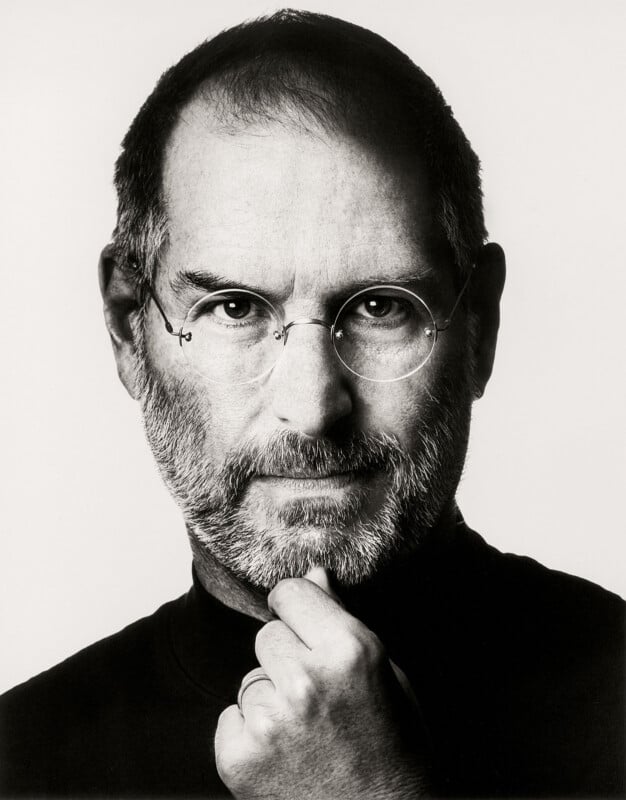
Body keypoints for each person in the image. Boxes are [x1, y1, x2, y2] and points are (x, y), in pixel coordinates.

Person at [0, 9, 623, 799]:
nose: (314, 406)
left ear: (480, 327)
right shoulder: (20, 762)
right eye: (232, 307)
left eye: (380, 307)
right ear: (131, 329)